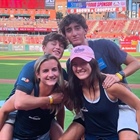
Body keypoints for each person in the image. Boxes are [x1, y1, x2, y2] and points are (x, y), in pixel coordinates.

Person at [59, 13, 140, 139]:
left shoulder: (104, 45)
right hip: (92, 108)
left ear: (85, 29)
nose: (74, 33)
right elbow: (78, 93)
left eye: (77, 28)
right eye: (69, 30)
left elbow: (135, 63)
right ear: (65, 35)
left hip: (121, 104)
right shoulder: (71, 63)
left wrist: (118, 76)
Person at [0, 32, 69, 140]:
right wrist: (50, 99)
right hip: (16, 110)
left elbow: (60, 104)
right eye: (54, 44)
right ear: (44, 48)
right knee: (8, 127)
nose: (58, 47)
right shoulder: (31, 67)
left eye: (61, 45)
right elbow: (19, 102)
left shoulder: (63, 74)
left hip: (44, 112)